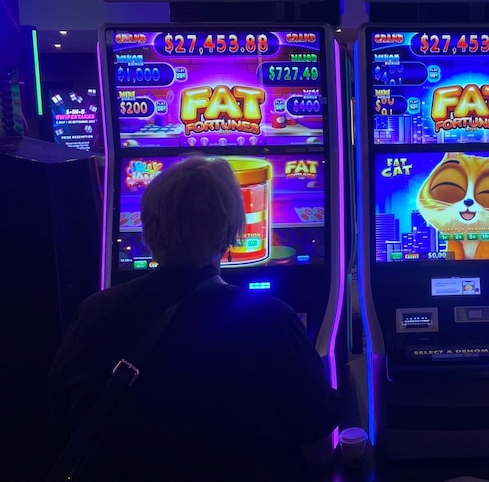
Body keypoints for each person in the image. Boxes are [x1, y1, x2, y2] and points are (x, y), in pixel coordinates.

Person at [49, 157, 337, 481]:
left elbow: (59, 425)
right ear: (231, 232)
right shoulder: (272, 321)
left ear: (147, 227)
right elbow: (319, 450)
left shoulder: (94, 313)